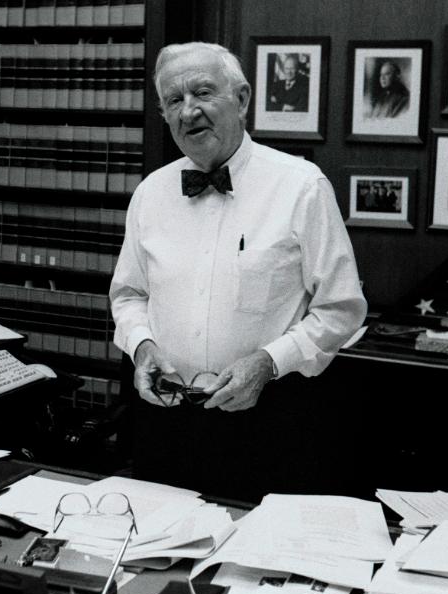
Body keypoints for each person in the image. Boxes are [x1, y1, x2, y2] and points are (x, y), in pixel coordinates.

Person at [109, 42, 367, 501]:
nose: (189, 112)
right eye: (174, 100)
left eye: (203, 93)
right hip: (165, 420)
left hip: (269, 423)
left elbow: (341, 310)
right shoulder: (150, 194)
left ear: (243, 99)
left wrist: (268, 364)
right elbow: (129, 296)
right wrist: (142, 347)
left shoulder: (301, 186)